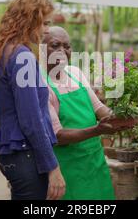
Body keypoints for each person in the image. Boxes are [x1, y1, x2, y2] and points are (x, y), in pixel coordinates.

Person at [0, 0, 65, 200]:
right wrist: (52, 167)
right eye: (44, 23)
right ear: (29, 21)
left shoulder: (6, 50)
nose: (47, 29)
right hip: (26, 154)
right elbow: (31, 120)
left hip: (13, 153)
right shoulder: (23, 57)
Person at [42, 26, 132, 200]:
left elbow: (98, 107)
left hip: (95, 161)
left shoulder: (75, 73)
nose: (62, 51)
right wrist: (97, 130)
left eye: (67, 46)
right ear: (42, 49)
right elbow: (58, 136)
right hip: (68, 168)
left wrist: (119, 117)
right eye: (55, 45)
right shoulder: (41, 84)